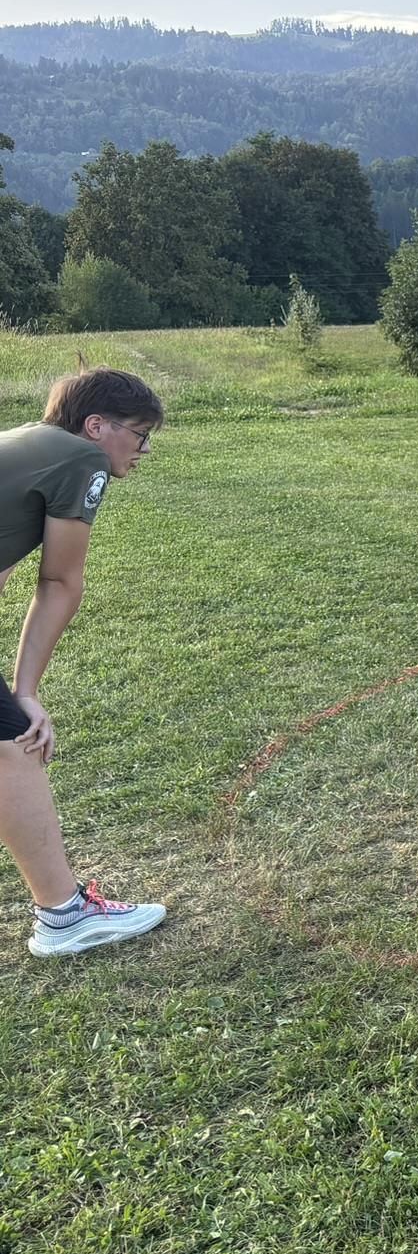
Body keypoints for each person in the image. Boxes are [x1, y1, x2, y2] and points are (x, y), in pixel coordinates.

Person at [1, 368, 168, 956]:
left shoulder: (22, 441)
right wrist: (25, 693)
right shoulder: (82, 458)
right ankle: (65, 917)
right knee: (12, 746)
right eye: (139, 434)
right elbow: (60, 582)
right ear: (95, 426)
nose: (144, 450)